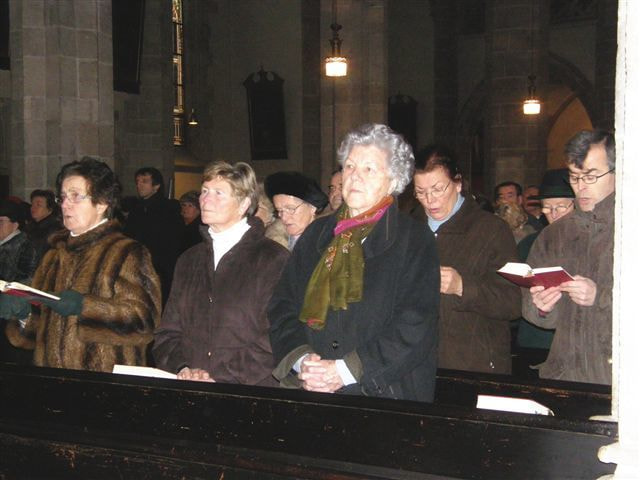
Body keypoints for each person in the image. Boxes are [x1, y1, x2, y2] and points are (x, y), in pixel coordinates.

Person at [268, 123, 440, 402]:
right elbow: (282, 306)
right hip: (312, 390)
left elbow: (415, 324)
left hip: (382, 396)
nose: (355, 176)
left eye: (369, 169)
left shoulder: (414, 239)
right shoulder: (316, 234)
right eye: (349, 166)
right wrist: (302, 359)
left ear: (393, 180)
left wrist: (347, 370)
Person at [0, 157, 162, 372]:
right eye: (63, 197)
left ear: (102, 203)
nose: (65, 204)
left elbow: (145, 321)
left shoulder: (126, 252)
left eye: (76, 196)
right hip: (53, 380)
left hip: (102, 381)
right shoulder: (54, 256)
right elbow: (35, 333)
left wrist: (84, 307)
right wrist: (23, 315)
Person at [153, 162, 290, 385]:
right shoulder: (189, 260)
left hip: (249, 390)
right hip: (191, 387)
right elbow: (168, 332)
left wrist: (221, 378)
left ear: (244, 204)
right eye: (204, 191)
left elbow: (275, 337)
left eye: (219, 193)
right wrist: (183, 367)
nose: (206, 200)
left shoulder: (273, 259)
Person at [413, 151, 521, 374]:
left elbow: (513, 302)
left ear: (458, 184)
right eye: (421, 192)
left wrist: (462, 286)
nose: (430, 200)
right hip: (418, 363)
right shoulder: (409, 228)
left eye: (438, 189)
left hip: (474, 364)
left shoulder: (491, 230)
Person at [522, 130, 615, 385]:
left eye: (591, 176)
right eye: (574, 177)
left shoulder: (629, 226)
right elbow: (531, 306)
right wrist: (542, 307)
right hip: (565, 373)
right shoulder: (553, 235)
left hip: (619, 377)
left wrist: (600, 297)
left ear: (616, 172)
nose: (580, 187)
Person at [513, 168, 575, 378]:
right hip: (534, 339)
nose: (553, 214)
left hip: (571, 342)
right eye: (547, 207)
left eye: (560, 206)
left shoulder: (588, 242)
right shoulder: (531, 242)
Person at [124, 167, 184, 305]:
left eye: (144, 181)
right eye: (137, 181)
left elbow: (173, 242)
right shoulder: (136, 210)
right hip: (138, 267)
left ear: (156, 186)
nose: (139, 185)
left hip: (160, 269)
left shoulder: (169, 209)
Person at [0, 200, 39, 364]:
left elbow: (26, 279)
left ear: (15, 224)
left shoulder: (25, 246)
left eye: (1, 221)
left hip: (10, 315)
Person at [264, 171, 328, 250]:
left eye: (290, 209)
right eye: (279, 210)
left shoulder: (328, 245)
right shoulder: (273, 243)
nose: (284, 218)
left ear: (312, 207)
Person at [25, 189, 63, 262]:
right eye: (32, 204)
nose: (33, 208)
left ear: (50, 209)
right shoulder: (30, 226)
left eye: (38, 205)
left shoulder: (55, 230)